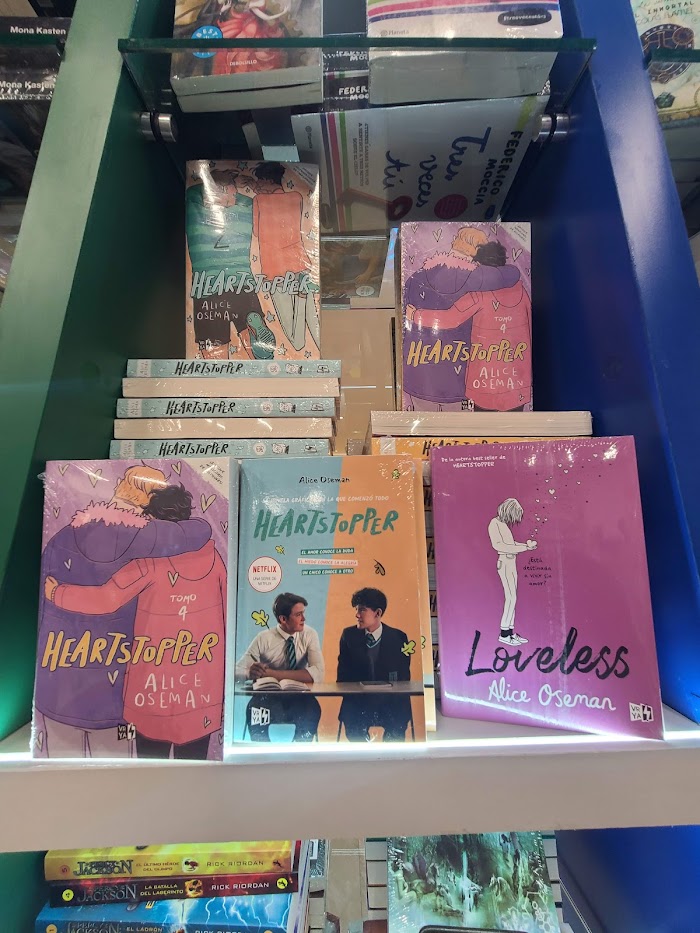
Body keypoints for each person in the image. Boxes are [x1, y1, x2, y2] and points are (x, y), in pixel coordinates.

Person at [35, 467, 212, 758]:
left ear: (120, 488)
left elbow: (43, 613)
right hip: (116, 687)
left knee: (58, 772)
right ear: (150, 501)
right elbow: (199, 530)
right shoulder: (153, 540)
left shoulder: (62, 537)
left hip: (58, 683)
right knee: (122, 775)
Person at [402, 226, 521, 411]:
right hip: (458, 377)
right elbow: (512, 273)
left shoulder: (415, 278)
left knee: (422, 428)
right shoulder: (481, 278)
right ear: (478, 251)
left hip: (419, 375)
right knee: (461, 428)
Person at [251, 161, 320, 353]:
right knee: (314, 323)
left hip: (274, 271)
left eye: (260, 181)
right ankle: (302, 296)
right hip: (300, 264)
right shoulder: (296, 197)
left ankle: (301, 298)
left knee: (296, 342)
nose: (257, 184)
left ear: (267, 180)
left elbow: (256, 231)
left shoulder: (258, 200)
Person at [235, 592, 324, 741]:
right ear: (283, 619)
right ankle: (262, 754)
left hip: (300, 700)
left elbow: (318, 673)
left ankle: (299, 754)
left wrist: (271, 674)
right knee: (255, 711)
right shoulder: (264, 638)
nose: (304, 619)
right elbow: (235, 671)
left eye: (303, 613)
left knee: (312, 710)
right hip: (268, 699)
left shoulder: (309, 634)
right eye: (298, 615)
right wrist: (250, 673)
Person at [337, 587, 412, 742]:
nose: (357, 615)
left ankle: (389, 756)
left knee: (396, 730)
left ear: (377, 613)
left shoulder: (399, 638)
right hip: (359, 702)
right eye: (356, 609)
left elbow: (404, 678)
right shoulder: (349, 636)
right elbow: (342, 676)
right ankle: (364, 755)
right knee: (354, 728)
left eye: (362, 610)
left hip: (390, 703)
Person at [487, 498, 537, 646]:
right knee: (510, 598)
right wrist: (524, 548)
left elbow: (511, 544)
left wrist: (525, 546)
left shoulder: (503, 525)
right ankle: (504, 633)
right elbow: (499, 546)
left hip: (511, 562)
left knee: (513, 598)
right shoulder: (494, 524)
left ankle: (510, 632)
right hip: (505, 562)